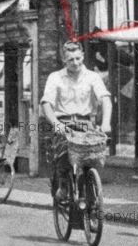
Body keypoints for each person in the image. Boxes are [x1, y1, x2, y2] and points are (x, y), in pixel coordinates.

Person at [41, 40, 112, 201]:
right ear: (64, 60)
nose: (75, 63)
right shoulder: (55, 77)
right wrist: (56, 124)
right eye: (71, 59)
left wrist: (106, 122)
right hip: (64, 122)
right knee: (64, 151)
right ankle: (64, 185)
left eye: (78, 58)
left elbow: (105, 99)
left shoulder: (93, 77)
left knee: (91, 155)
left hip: (85, 123)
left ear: (83, 56)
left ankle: (89, 186)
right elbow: (46, 104)